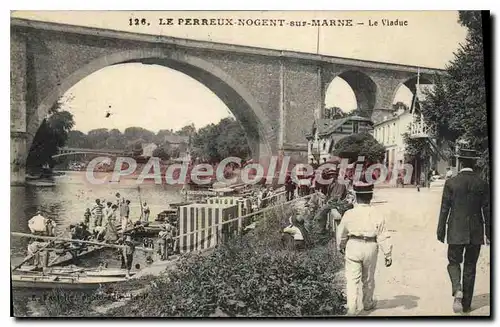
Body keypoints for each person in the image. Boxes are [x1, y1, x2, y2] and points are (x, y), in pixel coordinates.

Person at [437, 153, 490, 314]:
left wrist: (441, 230)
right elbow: (488, 210)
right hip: (475, 232)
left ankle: (457, 288)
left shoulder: (451, 183)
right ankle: (466, 305)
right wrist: (489, 233)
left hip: (455, 230)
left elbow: (445, 208)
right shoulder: (482, 183)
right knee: (470, 267)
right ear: (474, 165)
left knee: (453, 262)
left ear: (459, 163)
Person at [336, 182, 393, 315]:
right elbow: (383, 235)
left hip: (353, 244)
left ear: (356, 196)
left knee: (352, 279)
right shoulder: (377, 213)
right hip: (371, 246)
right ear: (371, 196)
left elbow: (342, 233)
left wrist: (341, 246)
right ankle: (367, 303)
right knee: (368, 278)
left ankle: (351, 308)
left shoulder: (349, 213)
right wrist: (388, 254)